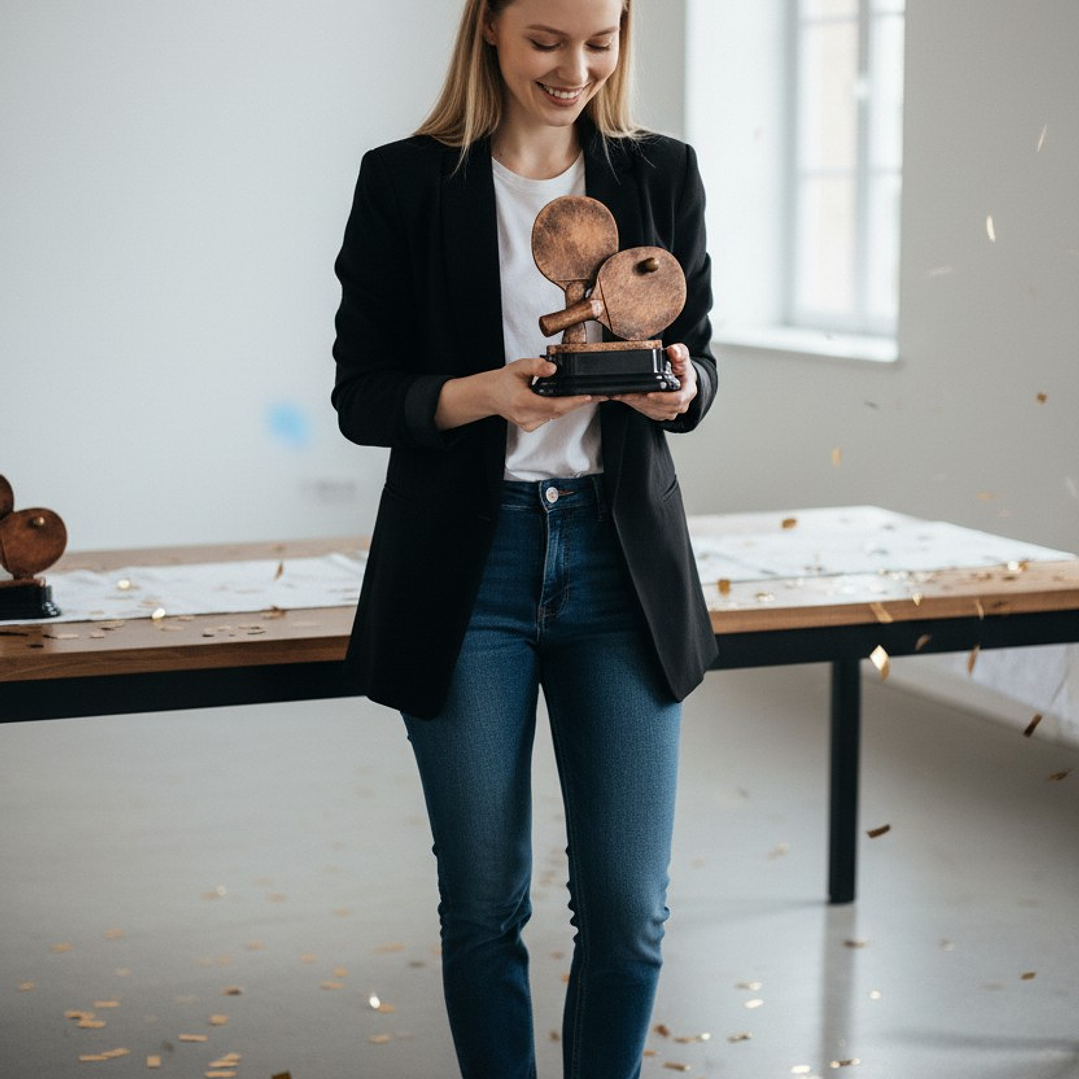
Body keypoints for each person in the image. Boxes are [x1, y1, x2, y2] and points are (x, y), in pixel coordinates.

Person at [331, 1, 717, 1075]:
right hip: (468, 570)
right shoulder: (406, 181)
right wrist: (477, 395)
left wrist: (678, 391)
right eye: (547, 39)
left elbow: (699, 360)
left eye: (600, 42)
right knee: (482, 905)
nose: (575, 68)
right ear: (490, 27)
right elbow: (363, 395)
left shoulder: (660, 172)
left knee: (630, 908)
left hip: (618, 568)